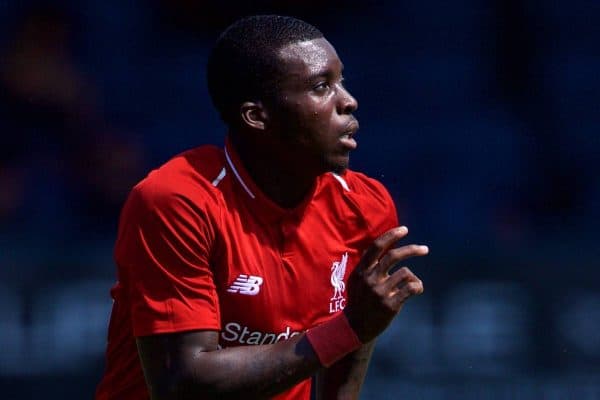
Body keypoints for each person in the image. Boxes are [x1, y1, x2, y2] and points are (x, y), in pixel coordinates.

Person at [96, 15, 429, 400]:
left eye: (341, 81)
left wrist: (354, 329)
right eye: (322, 86)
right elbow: (183, 384)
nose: (348, 101)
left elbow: (344, 360)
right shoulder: (178, 201)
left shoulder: (365, 206)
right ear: (257, 116)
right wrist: (350, 327)